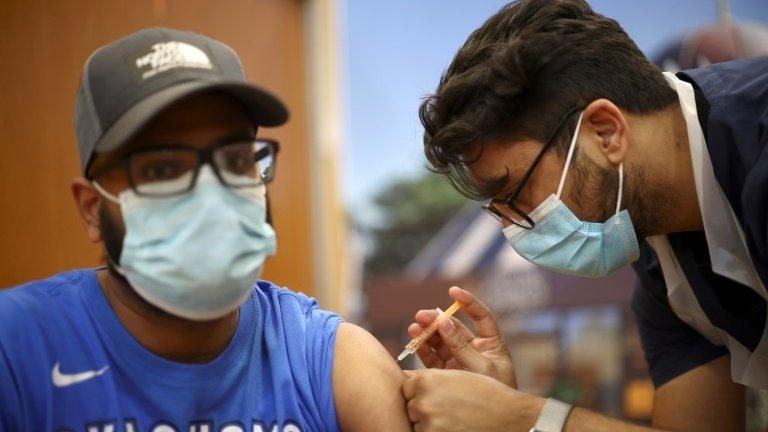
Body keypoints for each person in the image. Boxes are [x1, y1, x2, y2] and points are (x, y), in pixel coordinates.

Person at [0, 28, 412, 432]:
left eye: (234, 161)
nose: (211, 195)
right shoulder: (17, 349)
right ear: (92, 210)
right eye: (162, 168)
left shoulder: (324, 359)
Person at [402, 0, 768, 431]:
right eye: (496, 211)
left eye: (513, 192)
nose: (511, 228)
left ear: (605, 132)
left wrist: (520, 419)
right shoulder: (664, 262)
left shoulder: (757, 148)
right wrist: (498, 408)